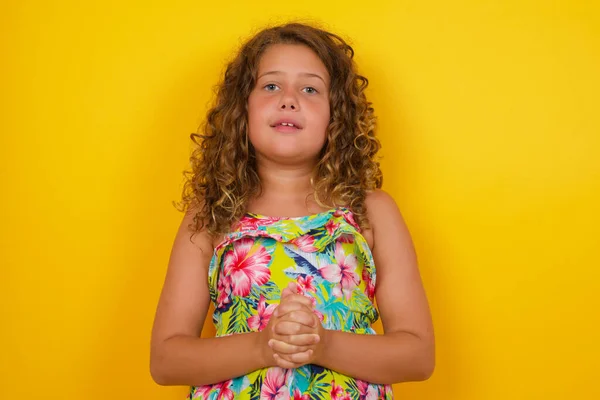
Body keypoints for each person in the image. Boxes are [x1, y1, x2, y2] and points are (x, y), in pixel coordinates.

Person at [150, 22, 435, 399]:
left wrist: (323, 345)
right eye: (271, 85)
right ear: (242, 108)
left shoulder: (371, 213)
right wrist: (263, 345)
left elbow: (418, 355)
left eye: (310, 88)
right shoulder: (211, 216)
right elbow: (166, 359)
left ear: (336, 116)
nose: (288, 99)